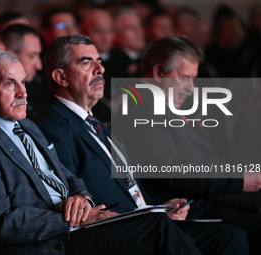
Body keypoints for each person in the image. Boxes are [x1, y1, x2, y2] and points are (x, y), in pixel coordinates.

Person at [0, 48, 202, 255]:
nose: (23, 93)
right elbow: (3, 224)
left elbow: (68, 176)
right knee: (157, 228)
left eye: (23, 82)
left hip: (78, 228)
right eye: (9, 83)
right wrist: (76, 218)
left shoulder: (26, 125)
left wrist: (81, 198)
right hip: (50, 243)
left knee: (178, 230)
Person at [33, 34, 249, 254]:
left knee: (231, 237)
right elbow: (73, 201)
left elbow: (126, 185)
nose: (100, 69)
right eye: (86, 62)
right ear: (60, 77)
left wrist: (159, 207)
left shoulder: (94, 122)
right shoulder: (51, 128)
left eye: (99, 61)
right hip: (114, 230)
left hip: (146, 218)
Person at [112, 35, 261, 255]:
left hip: (206, 198)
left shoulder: (162, 106)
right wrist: (239, 179)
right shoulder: (140, 108)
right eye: (184, 78)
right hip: (184, 209)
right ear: (158, 72)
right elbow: (174, 169)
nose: (191, 88)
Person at [1, 24, 51, 117]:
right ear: (10, 56)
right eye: (32, 56)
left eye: (38, 55)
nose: (39, 66)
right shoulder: (1, 99)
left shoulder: (38, 86)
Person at [112, 7, 146, 78]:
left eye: (140, 26)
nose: (139, 32)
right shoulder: (114, 64)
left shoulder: (144, 59)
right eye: (131, 28)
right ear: (118, 34)